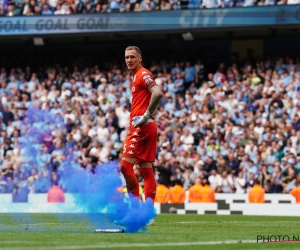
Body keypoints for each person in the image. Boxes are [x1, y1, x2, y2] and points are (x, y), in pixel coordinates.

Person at [117, 46, 163, 225]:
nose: (129, 60)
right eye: (127, 57)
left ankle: (136, 212)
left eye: (132, 57)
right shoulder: (136, 75)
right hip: (147, 126)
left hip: (142, 127)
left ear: (140, 58)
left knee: (125, 167)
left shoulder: (142, 74)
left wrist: (145, 115)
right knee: (146, 169)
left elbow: (157, 93)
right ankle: (147, 213)